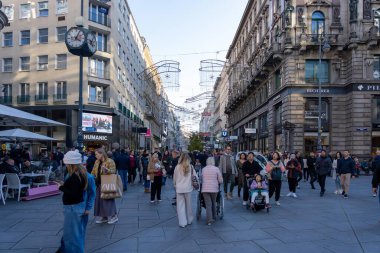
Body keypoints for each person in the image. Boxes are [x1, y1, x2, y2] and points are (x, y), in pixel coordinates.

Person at [56, 150, 94, 253]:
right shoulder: (71, 174)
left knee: (75, 236)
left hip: (76, 207)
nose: (66, 165)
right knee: (71, 233)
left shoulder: (85, 176)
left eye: (67, 164)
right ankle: (64, 249)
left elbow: (91, 193)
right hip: (75, 207)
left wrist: (88, 208)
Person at [91, 148, 118, 224]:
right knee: (100, 201)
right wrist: (91, 176)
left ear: (101, 154)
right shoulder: (97, 161)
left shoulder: (110, 161)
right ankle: (104, 217)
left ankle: (114, 216)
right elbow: (93, 171)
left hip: (107, 183)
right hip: (99, 184)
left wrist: (107, 170)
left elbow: (114, 171)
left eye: (96, 154)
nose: (95, 156)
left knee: (108, 200)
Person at [173, 152, 197, 228]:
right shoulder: (191, 167)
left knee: (180, 206)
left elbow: (175, 178)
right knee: (189, 205)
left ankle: (182, 222)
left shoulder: (177, 167)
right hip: (188, 188)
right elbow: (195, 177)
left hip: (179, 188)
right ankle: (189, 219)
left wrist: (175, 185)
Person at [201, 157, 223, 225]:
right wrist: (220, 182)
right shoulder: (216, 169)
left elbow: (201, 179)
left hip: (205, 189)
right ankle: (214, 216)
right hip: (214, 189)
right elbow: (220, 180)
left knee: (208, 204)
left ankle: (209, 220)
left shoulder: (203, 169)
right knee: (214, 202)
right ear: (213, 162)